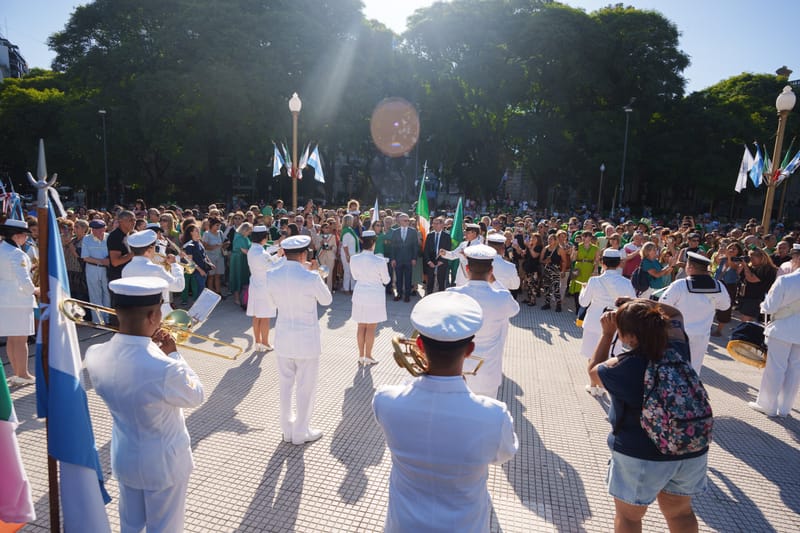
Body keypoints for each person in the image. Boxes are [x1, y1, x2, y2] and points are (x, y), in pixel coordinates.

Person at [373, 291, 518, 532]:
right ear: (470, 349)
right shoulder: (494, 416)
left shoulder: (386, 400)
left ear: (419, 345)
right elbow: (503, 454)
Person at [84, 277, 204, 532]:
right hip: (164, 464)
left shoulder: (94, 354)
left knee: (130, 525)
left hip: (125, 457)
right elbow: (196, 396)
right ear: (153, 316)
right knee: (165, 528)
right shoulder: (165, 367)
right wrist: (173, 353)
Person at [589, 299, 708, 533]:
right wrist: (636, 303)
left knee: (629, 517)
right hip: (689, 447)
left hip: (642, 454)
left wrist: (607, 334)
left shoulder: (623, 367)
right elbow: (675, 312)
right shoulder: (677, 346)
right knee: (680, 513)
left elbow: (594, 372)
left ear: (629, 337)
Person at [265, 235, 332, 445]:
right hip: (306, 340)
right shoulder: (310, 278)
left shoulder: (271, 275)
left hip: (284, 336)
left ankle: (286, 431)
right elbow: (326, 300)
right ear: (304, 254)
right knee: (306, 387)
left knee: (285, 386)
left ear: (284, 252)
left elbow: (272, 302)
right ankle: (301, 432)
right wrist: (314, 274)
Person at [447, 245, 519, 398]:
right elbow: (515, 309)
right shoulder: (502, 298)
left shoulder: (452, 295)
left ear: (467, 269)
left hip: (456, 372)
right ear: (491, 271)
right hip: (488, 373)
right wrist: (495, 282)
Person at [656, 252, 730, 375]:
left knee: (673, 368)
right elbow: (725, 306)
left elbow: (661, 305)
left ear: (690, 267)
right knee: (694, 369)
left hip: (677, 333)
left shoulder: (680, 284)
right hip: (701, 335)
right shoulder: (718, 285)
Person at [749, 250, 800, 418]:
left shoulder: (786, 280)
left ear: (798, 259)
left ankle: (768, 405)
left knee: (776, 368)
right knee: (795, 369)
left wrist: (764, 304)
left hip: (782, 329)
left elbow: (769, 307)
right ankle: (785, 409)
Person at [578, 248, 636, 396]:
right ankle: (604, 386)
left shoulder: (594, 280)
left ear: (602, 263)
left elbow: (583, 303)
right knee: (611, 356)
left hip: (594, 321)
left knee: (593, 354)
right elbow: (633, 303)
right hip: (616, 323)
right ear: (618, 264)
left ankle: (593, 385)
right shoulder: (626, 283)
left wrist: (583, 290)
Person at [0, 219, 38, 385]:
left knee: (12, 338)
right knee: (21, 339)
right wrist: (36, 290)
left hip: (6, 298)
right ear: (16, 236)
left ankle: (17, 373)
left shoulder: (2, 249)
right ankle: (23, 374)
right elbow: (23, 280)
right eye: (24, 235)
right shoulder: (17, 253)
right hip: (19, 298)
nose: (26, 238)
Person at [122, 229, 185, 317]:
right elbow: (179, 286)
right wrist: (175, 265)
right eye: (155, 246)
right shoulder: (156, 269)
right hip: (158, 312)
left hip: (136, 313)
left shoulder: (126, 268)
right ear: (150, 249)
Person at [350, 230, 390, 365]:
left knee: (361, 326)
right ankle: (368, 356)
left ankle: (361, 356)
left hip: (360, 294)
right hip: (374, 296)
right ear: (373, 242)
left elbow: (355, 277)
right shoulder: (379, 260)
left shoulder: (354, 258)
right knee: (371, 327)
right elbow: (386, 280)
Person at [246, 225, 284, 352]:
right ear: (263, 237)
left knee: (257, 316)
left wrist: (277, 256)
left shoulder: (254, 250)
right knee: (265, 317)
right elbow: (272, 267)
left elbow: (268, 263)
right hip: (264, 287)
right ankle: (265, 343)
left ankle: (258, 342)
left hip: (255, 284)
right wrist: (284, 258)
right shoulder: (260, 253)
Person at [734, 247, 777, 322]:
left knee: (746, 319)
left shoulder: (766, 268)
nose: (751, 258)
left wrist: (745, 266)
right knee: (748, 320)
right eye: (750, 255)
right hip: (746, 297)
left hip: (756, 298)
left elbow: (751, 279)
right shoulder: (751, 267)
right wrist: (741, 263)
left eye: (754, 255)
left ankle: (743, 331)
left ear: (762, 257)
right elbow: (738, 273)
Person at [81, 219, 111, 325]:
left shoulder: (109, 238)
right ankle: (98, 320)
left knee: (107, 293)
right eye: (93, 229)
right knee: (95, 294)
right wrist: (101, 261)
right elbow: (85, 257)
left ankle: (108, 319)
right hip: (92, 268)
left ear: (104, 228)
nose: (95, 231)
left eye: (98, 229)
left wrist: (107, 261)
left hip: (106, 269)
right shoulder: (87, 239)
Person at [180, 224, 215, 306]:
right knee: (199, 292)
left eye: (198, 230)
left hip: (203, 269)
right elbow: (190, 261)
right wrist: (200, 270)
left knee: (202, 290)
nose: (198, 231)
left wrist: (210, 263)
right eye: (196, 230)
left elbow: (204, 254)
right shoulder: (189, 245)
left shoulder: (199, 242)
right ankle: (197, 309)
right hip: (197, 272)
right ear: (191, 233)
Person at [389, 212, 419, 302]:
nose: (407, 222)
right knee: (399, 278)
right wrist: (393, 258)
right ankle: (399, 294)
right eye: (405, 220)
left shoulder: (413, 231)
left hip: (409, 259)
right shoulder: (395, 232)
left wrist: (414, 258)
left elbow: (415, 246)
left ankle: (407, 295)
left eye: (408, 220)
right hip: (398, 259)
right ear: (400, 221)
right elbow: (393, 246)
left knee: (408, 278)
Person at [107, 210, 136, 287]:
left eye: (134, 220)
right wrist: (134, 253)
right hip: (118, 279)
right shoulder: (115, 237)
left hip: (128, 277)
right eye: (130, 220)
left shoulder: (128, 235)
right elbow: (115, 262)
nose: (133, 222)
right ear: (121, 221)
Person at [422, 216, 451, 294]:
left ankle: (440, 298)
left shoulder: (447, 236)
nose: (434, 225)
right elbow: (426, 250)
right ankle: (429, 296)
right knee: (430, 282)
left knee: (441, 282)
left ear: (442, 225)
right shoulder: (430, 235)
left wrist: (442, 261)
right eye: (433, 223)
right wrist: (428, 261)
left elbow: (448, 250)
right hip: (431, 263)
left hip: (442, 263)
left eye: (436, 223)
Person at [229, 222, 253, 306]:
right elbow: (244, 250)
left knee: (243, 277)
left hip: (244, 259)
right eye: (249, 231)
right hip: (238, 260)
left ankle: (243, 296)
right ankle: (236, 298)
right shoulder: (239, 237)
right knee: (237, 277)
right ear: (244, 230)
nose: (250, 233)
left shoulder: (245, 237)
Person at [202, 217, 225, 295]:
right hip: (210, 257)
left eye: (219, 225)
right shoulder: (206, 233)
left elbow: (225, 243)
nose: (218, 227)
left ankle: (218, 293)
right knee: (211, 276)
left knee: (218, 276)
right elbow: (204, 246)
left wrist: (224, 245)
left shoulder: (220, 233)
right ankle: (210, 294)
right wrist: (214, 247)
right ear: (212, 225)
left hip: (219, 257)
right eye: (217, 225)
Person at [540, 233, 563, 312]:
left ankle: (558, 305)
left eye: (551, 239)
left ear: (556, 240)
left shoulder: (559, 249)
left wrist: (563, 271)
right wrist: (545, 261)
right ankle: (547, 303)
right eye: (548, 239)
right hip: (547, 270)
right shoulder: (545, 249)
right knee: (547, 287)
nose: (549, 241)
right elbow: (540, 260)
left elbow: (564, 261)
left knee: (556, 288)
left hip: (556, 271)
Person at [339, 214, 359, 293]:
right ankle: (346, 288)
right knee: (347, 271)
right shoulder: (346, 231)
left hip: (352, 253)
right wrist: (347, 255)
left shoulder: (350, 229)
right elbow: (345, 245)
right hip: (348, 254)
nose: (353, 221)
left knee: (352, 271)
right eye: (352, 219)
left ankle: (352, 288)